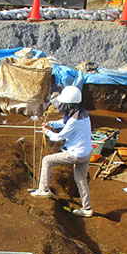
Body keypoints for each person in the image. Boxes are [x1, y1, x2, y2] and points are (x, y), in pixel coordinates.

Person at [30, 85, 94, 217]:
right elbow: (66, 122)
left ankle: (44, 189)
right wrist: (52, 124)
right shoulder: (82, 113)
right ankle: (87, 209)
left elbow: (59, 137)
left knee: (46, 161)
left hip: (76, 154)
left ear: (68, 104)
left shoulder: (74, 121)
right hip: (87, 152)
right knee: (81, 179)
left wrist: (47, 131)